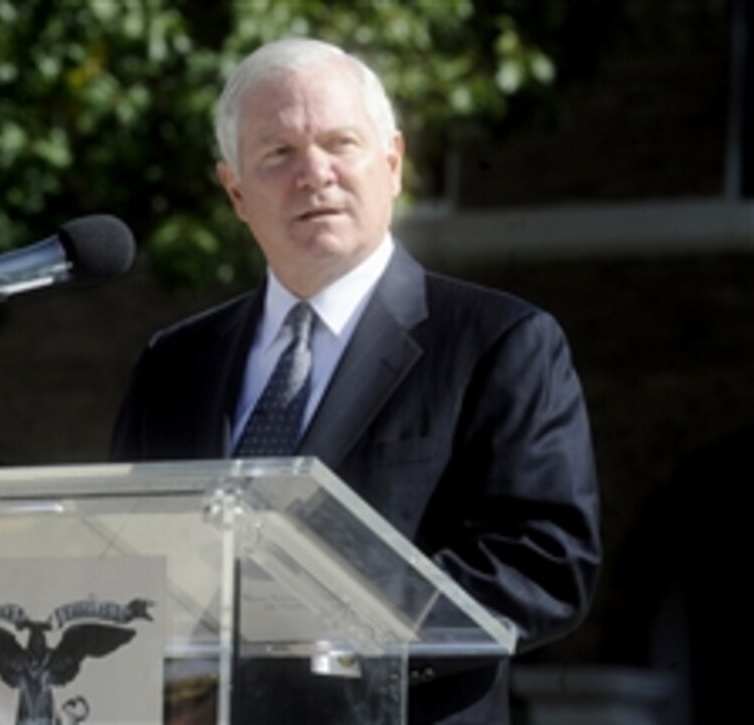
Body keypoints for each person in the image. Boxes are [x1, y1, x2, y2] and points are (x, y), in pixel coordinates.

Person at [111, 37, 601, 723]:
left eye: (340, 142)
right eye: (278, 154)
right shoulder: (173, 364)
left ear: (393, 163)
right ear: (235, 191)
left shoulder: (497, 343)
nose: (315, 172)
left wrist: (341, 617)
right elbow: (125, 557)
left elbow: (543, 565)